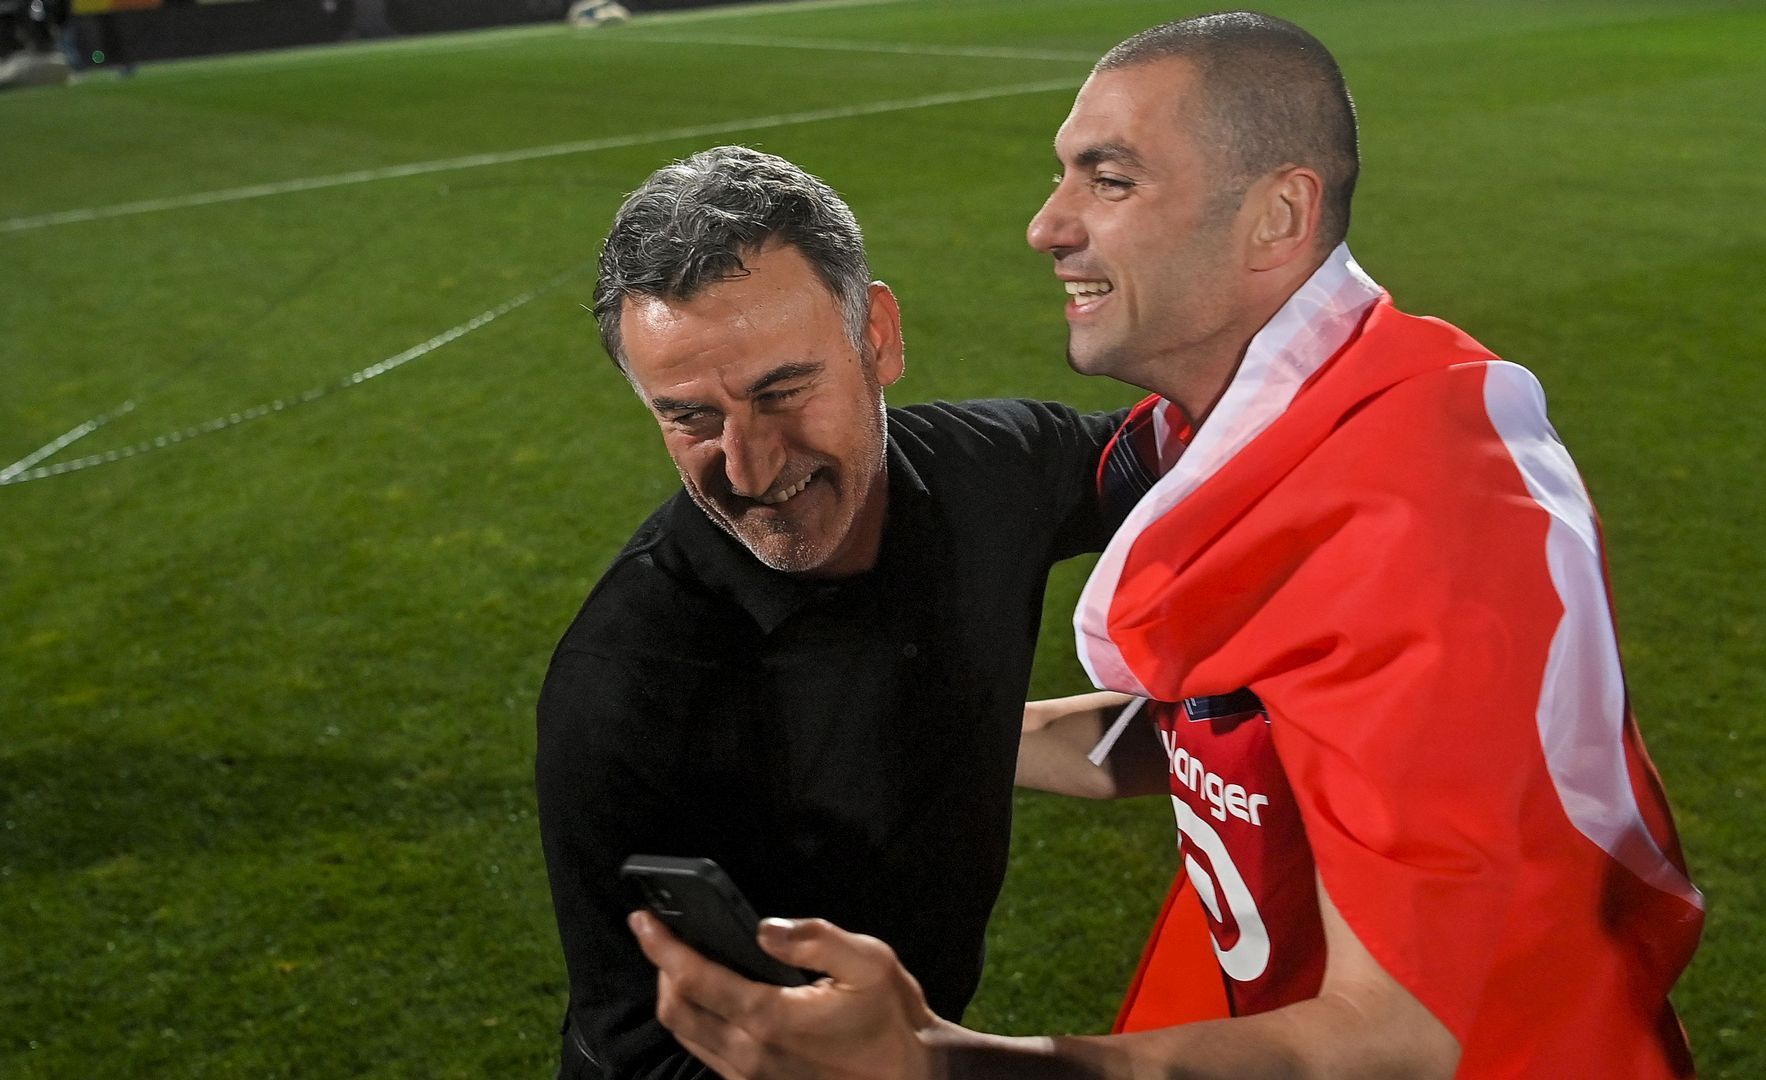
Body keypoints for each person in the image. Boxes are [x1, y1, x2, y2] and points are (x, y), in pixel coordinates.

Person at [630, 12, 1705, 1079]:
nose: (1046, 225)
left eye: (1110, 179)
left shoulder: (1425, 514)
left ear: (1278, 215)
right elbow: (1248, 731)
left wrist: (940, 1067)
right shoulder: (1282, 413)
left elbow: (1404, 1038)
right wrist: (905, 729)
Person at [536, 145, 1126, 1078]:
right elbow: (648, 1054)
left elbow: (1200, 462)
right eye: (689, 418)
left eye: (783, 393)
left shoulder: (995, 468)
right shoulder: (630, 689)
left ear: (878, 337)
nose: (752, 467)